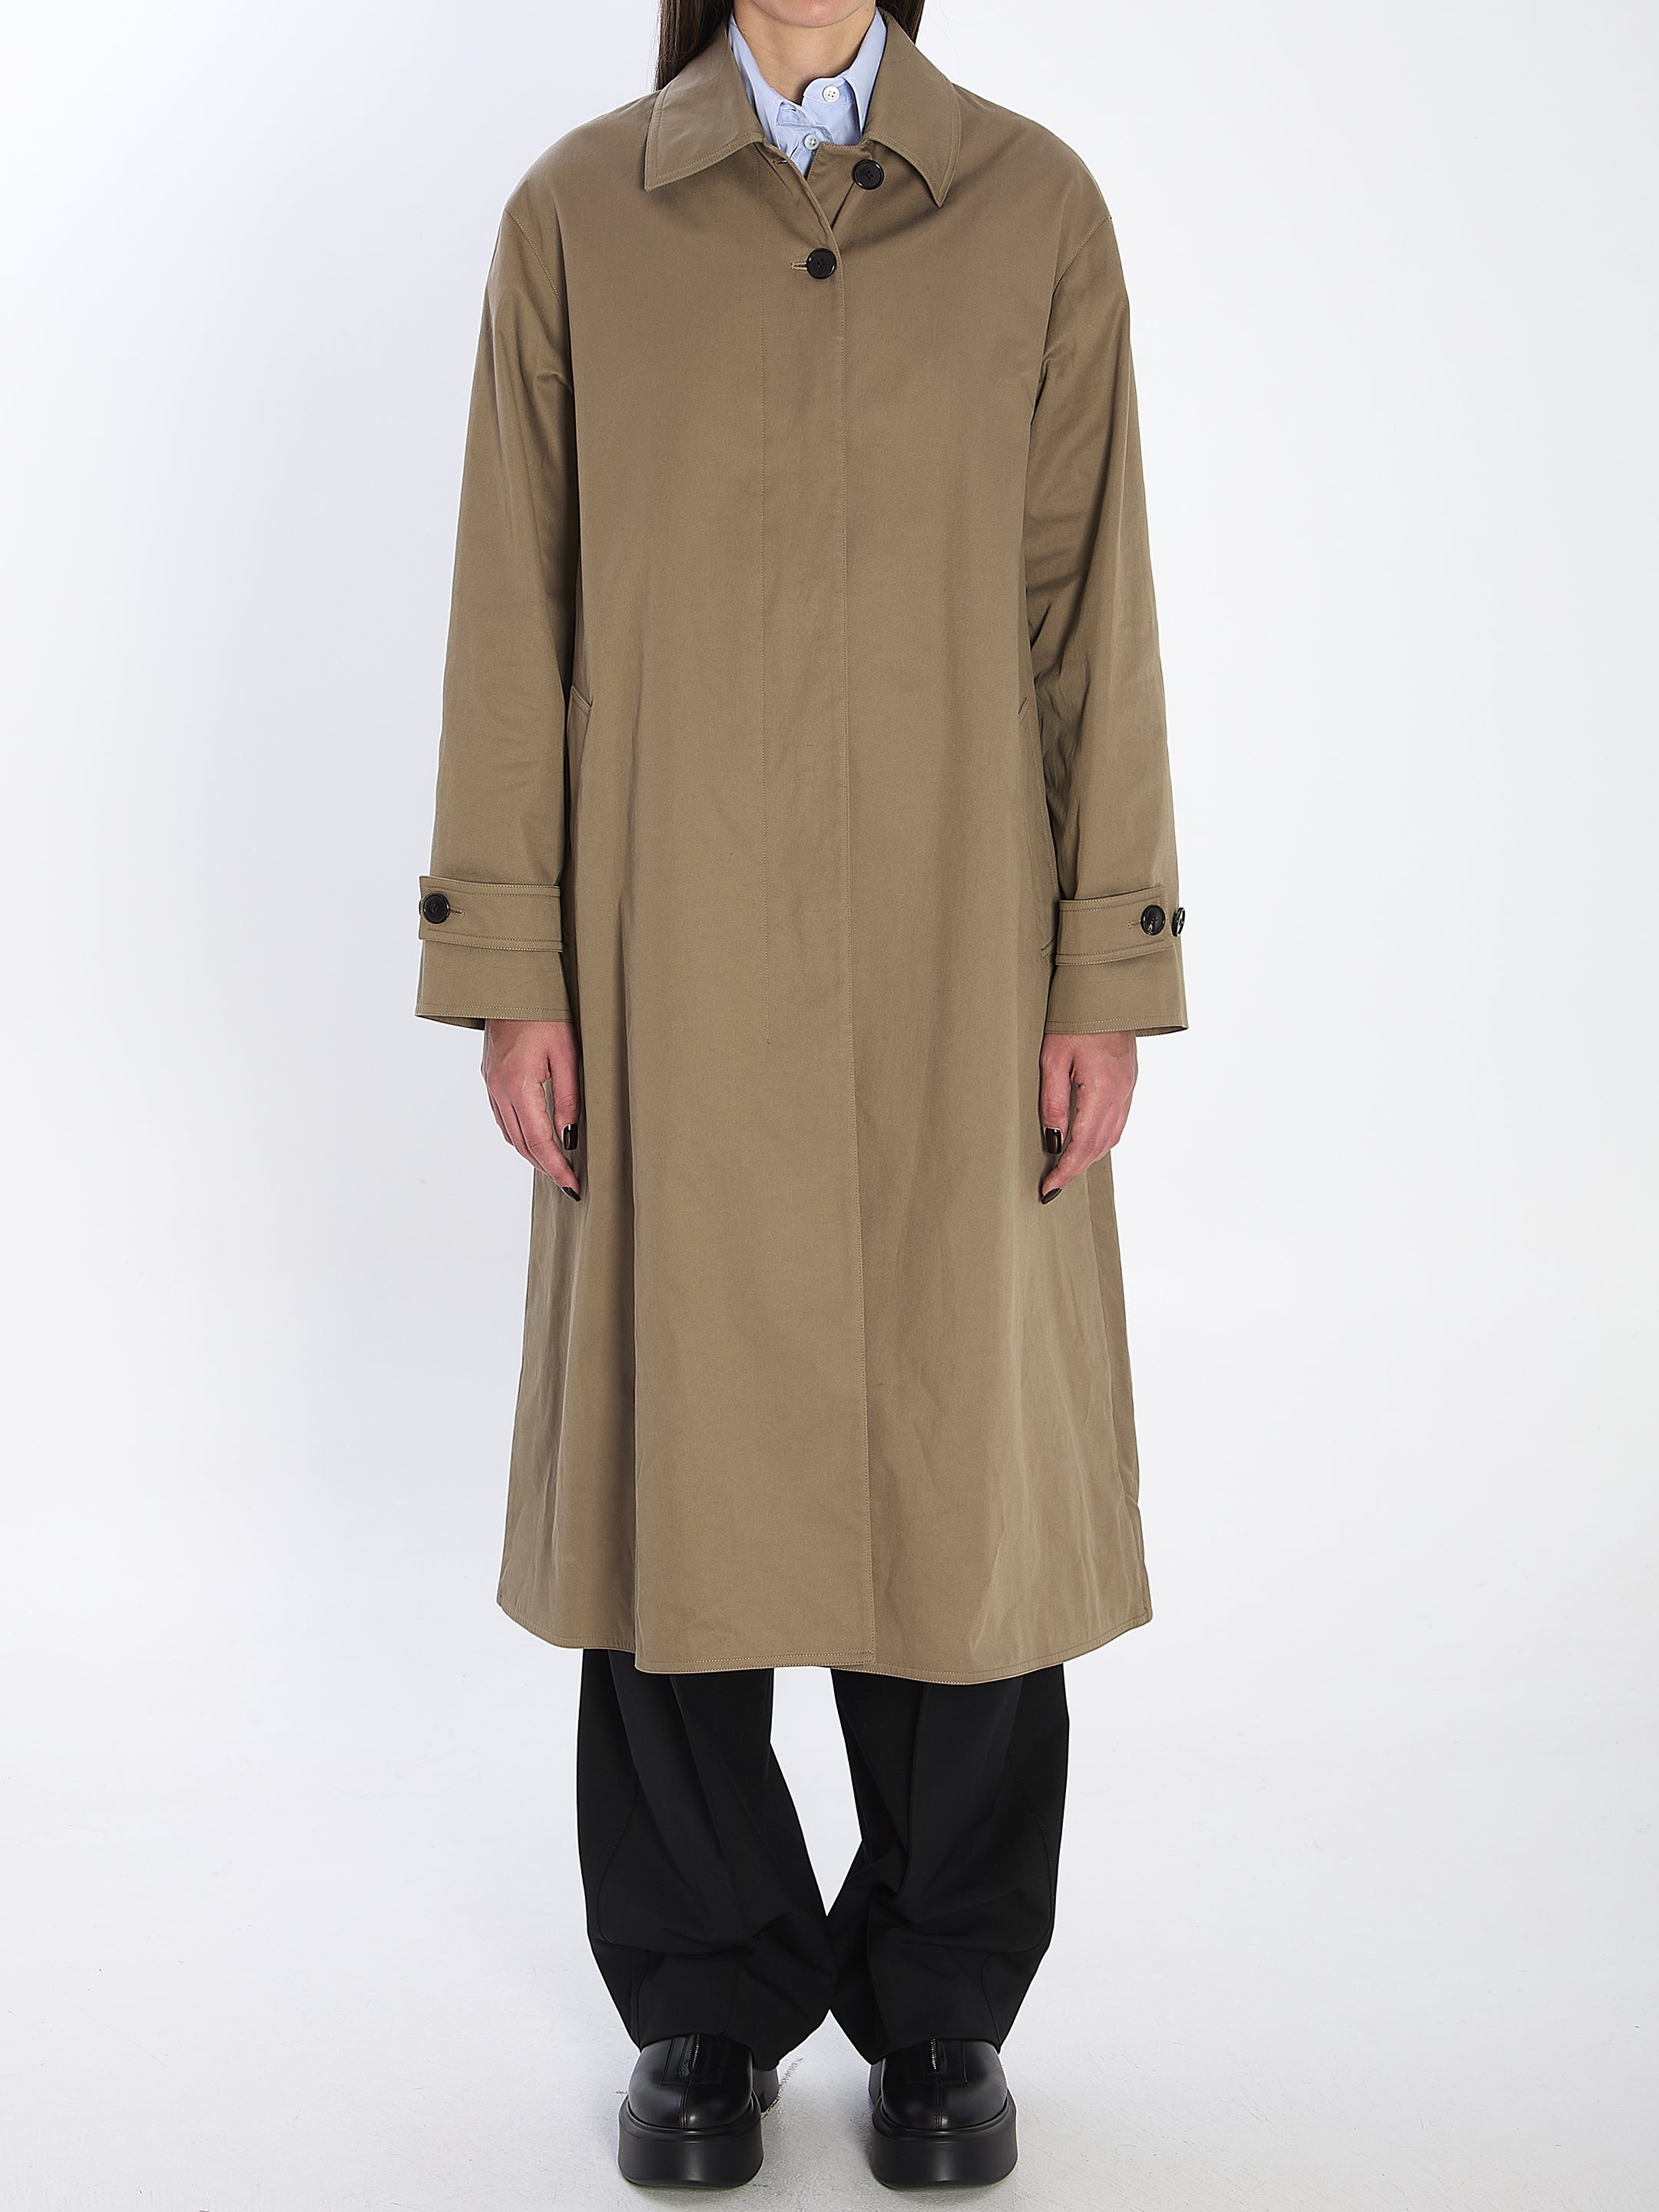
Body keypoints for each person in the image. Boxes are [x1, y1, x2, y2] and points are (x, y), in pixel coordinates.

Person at [416, 0, 1185, 2187]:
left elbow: (1091, 611)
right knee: (671, 1489)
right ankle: (704, 1998)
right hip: (661, 957)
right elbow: (515, 611)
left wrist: (1106, 963)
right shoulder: (582, 218)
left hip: (965, 956)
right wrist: (511, 966)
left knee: (967, 1493)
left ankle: (942, 2008)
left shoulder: (1032, 212)